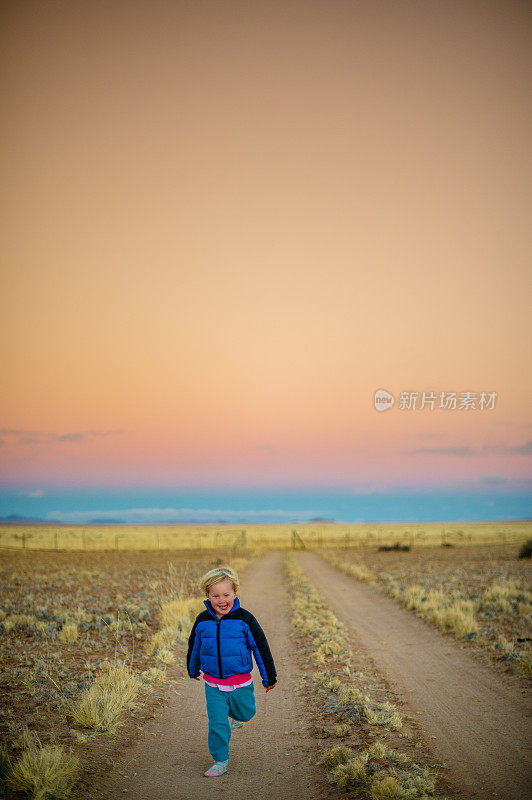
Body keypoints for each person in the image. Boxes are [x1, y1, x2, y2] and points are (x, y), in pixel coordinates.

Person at [187, 565, 277, 777]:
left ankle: (237, 715)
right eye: (215, 595)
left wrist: (269, 677)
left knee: (246, 713)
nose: (221, 600)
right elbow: (195, 646)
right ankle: (220, 760)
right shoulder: (202, 621)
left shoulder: (245, 619)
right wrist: (193, 669)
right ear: (207, 596)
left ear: (235, 593)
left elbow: (260, 648)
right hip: (213, 685)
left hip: (241, 683)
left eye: (226, 594)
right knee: (217, 723)